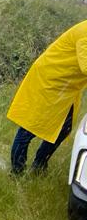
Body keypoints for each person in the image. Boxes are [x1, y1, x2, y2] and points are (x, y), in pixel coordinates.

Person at [7, 20, 87, 175]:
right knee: (28, 129)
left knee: (65, 128)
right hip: (48, 80)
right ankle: (17, 173)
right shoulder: (85, 33)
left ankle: (39, 165)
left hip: (66, 88)